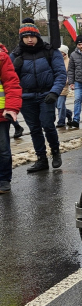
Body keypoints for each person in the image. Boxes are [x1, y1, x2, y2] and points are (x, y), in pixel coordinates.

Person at [12, 20, 67, 172]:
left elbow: (61, 74)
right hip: (27, 97)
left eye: (32, 36)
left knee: (48, 125)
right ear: (21, 38)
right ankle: (41, 159)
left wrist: (54, 92)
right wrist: (15, 68)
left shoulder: (50, 51)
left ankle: (55, 152)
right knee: (34, 129)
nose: (30, 39)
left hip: (46, 95)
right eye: (26, 36)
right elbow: (9, 78)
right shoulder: (16, 54)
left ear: (38, 36)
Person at [0, 41, 22, 193]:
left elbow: (11, 83)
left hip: (0, 112)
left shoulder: (2, 57)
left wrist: (12, 107)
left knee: (2, 149)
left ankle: (3, 179)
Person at [55, 45, 73, 128]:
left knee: (60, 105)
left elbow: (71, 73)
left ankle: (61, 121)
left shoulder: (69, 62)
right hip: (54, 86)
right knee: (56, 104)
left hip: (63, 86)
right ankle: (68, 113)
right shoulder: (55, 60)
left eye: (61, 52)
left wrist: (67, 81)